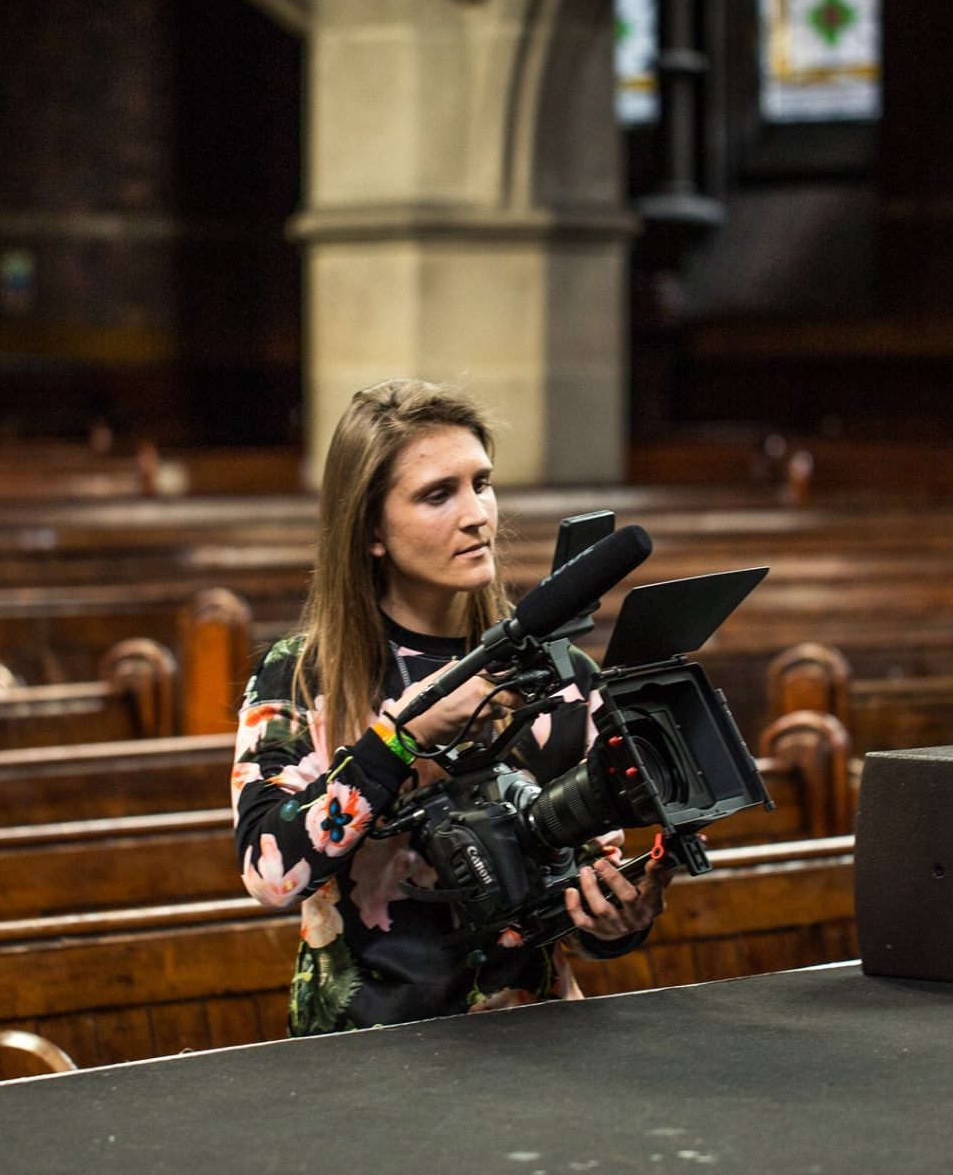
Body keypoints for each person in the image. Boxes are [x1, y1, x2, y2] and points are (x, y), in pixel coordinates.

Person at [232, 379, 675, 1035]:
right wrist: (397, 739)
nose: (477, 515)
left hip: (535, 1035)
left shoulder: (560, 675)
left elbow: (578, 890)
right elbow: (270, 873)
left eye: (482, 483)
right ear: (372, 530)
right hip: (362, 1052)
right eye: (438, 494)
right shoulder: (304, 673)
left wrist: (616, 920)